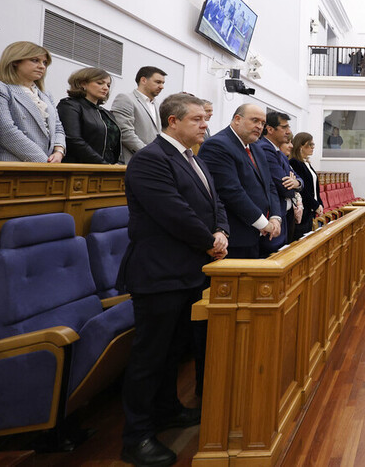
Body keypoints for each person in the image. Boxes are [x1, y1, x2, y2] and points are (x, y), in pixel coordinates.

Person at [117, 93, 229, 467]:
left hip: (188, 270)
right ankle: (136, 437)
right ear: (172, 122)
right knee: (150, 356)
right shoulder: (151, 160)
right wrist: (210, 241)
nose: (204, 125)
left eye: (204, 119)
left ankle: (166, 410)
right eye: (196, 119)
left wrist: (222, 231)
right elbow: (172, 212)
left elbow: (216, 203)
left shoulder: (191, 157)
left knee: (173, 351)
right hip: (159, 272)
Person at [197, 104, 281, 259]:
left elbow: (270, 186)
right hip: (233, 237)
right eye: (255, 120)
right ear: (237, 119)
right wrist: (263, 224)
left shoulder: (256, 148)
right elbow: (231, 192)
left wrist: (275, 217)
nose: (259, 126)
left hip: (257, 235)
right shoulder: (217, 145)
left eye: (262, 123)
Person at [0, 42, 66, 163]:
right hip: (11, 164)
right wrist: (44, 161)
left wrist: (59, 151)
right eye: (35, 60)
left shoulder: (46, 94)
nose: (42, 66)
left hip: (47, 164)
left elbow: (57, 126)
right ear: (15, 61)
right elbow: (5, 131)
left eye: (45, 62)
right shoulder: (0, 88)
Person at [57, 67, 121, 164]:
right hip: (80, 169)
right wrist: (102, 164)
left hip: (109, 169)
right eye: (100, 83)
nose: (106, 88)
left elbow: (116, 143)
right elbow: (73, 140)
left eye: (108, 85)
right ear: (83, 84)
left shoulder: (107, 113)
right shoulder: (69, 105)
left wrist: (119, 164)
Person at [257, 111, 302, 249]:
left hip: (284, 215)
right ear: (270, 129)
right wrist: (293, 186)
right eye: (285, 127)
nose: (289, 132)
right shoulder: (264, 149)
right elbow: (283, 187)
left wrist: (297, 183)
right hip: (272, 215)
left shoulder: (279, 153)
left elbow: (297, 178)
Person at [113, 65, 167, 163]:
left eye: (163, 83)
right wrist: (149, 154)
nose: (162, 86)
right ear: (143, 80)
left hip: (153, 162)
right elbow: (125, 133)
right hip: (134, 161)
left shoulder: (157, 105)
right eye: (158, 82)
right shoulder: (125, 99)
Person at [289, 132, 324, 238]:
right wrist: (315, 205)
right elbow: (302, 190)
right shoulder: (295, 162)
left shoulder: (306, 163)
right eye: (310, 144)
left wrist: (319, 203)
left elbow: (314, 187)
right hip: (303, 210)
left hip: (310, 210)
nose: (313, 147)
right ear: (300, 146)